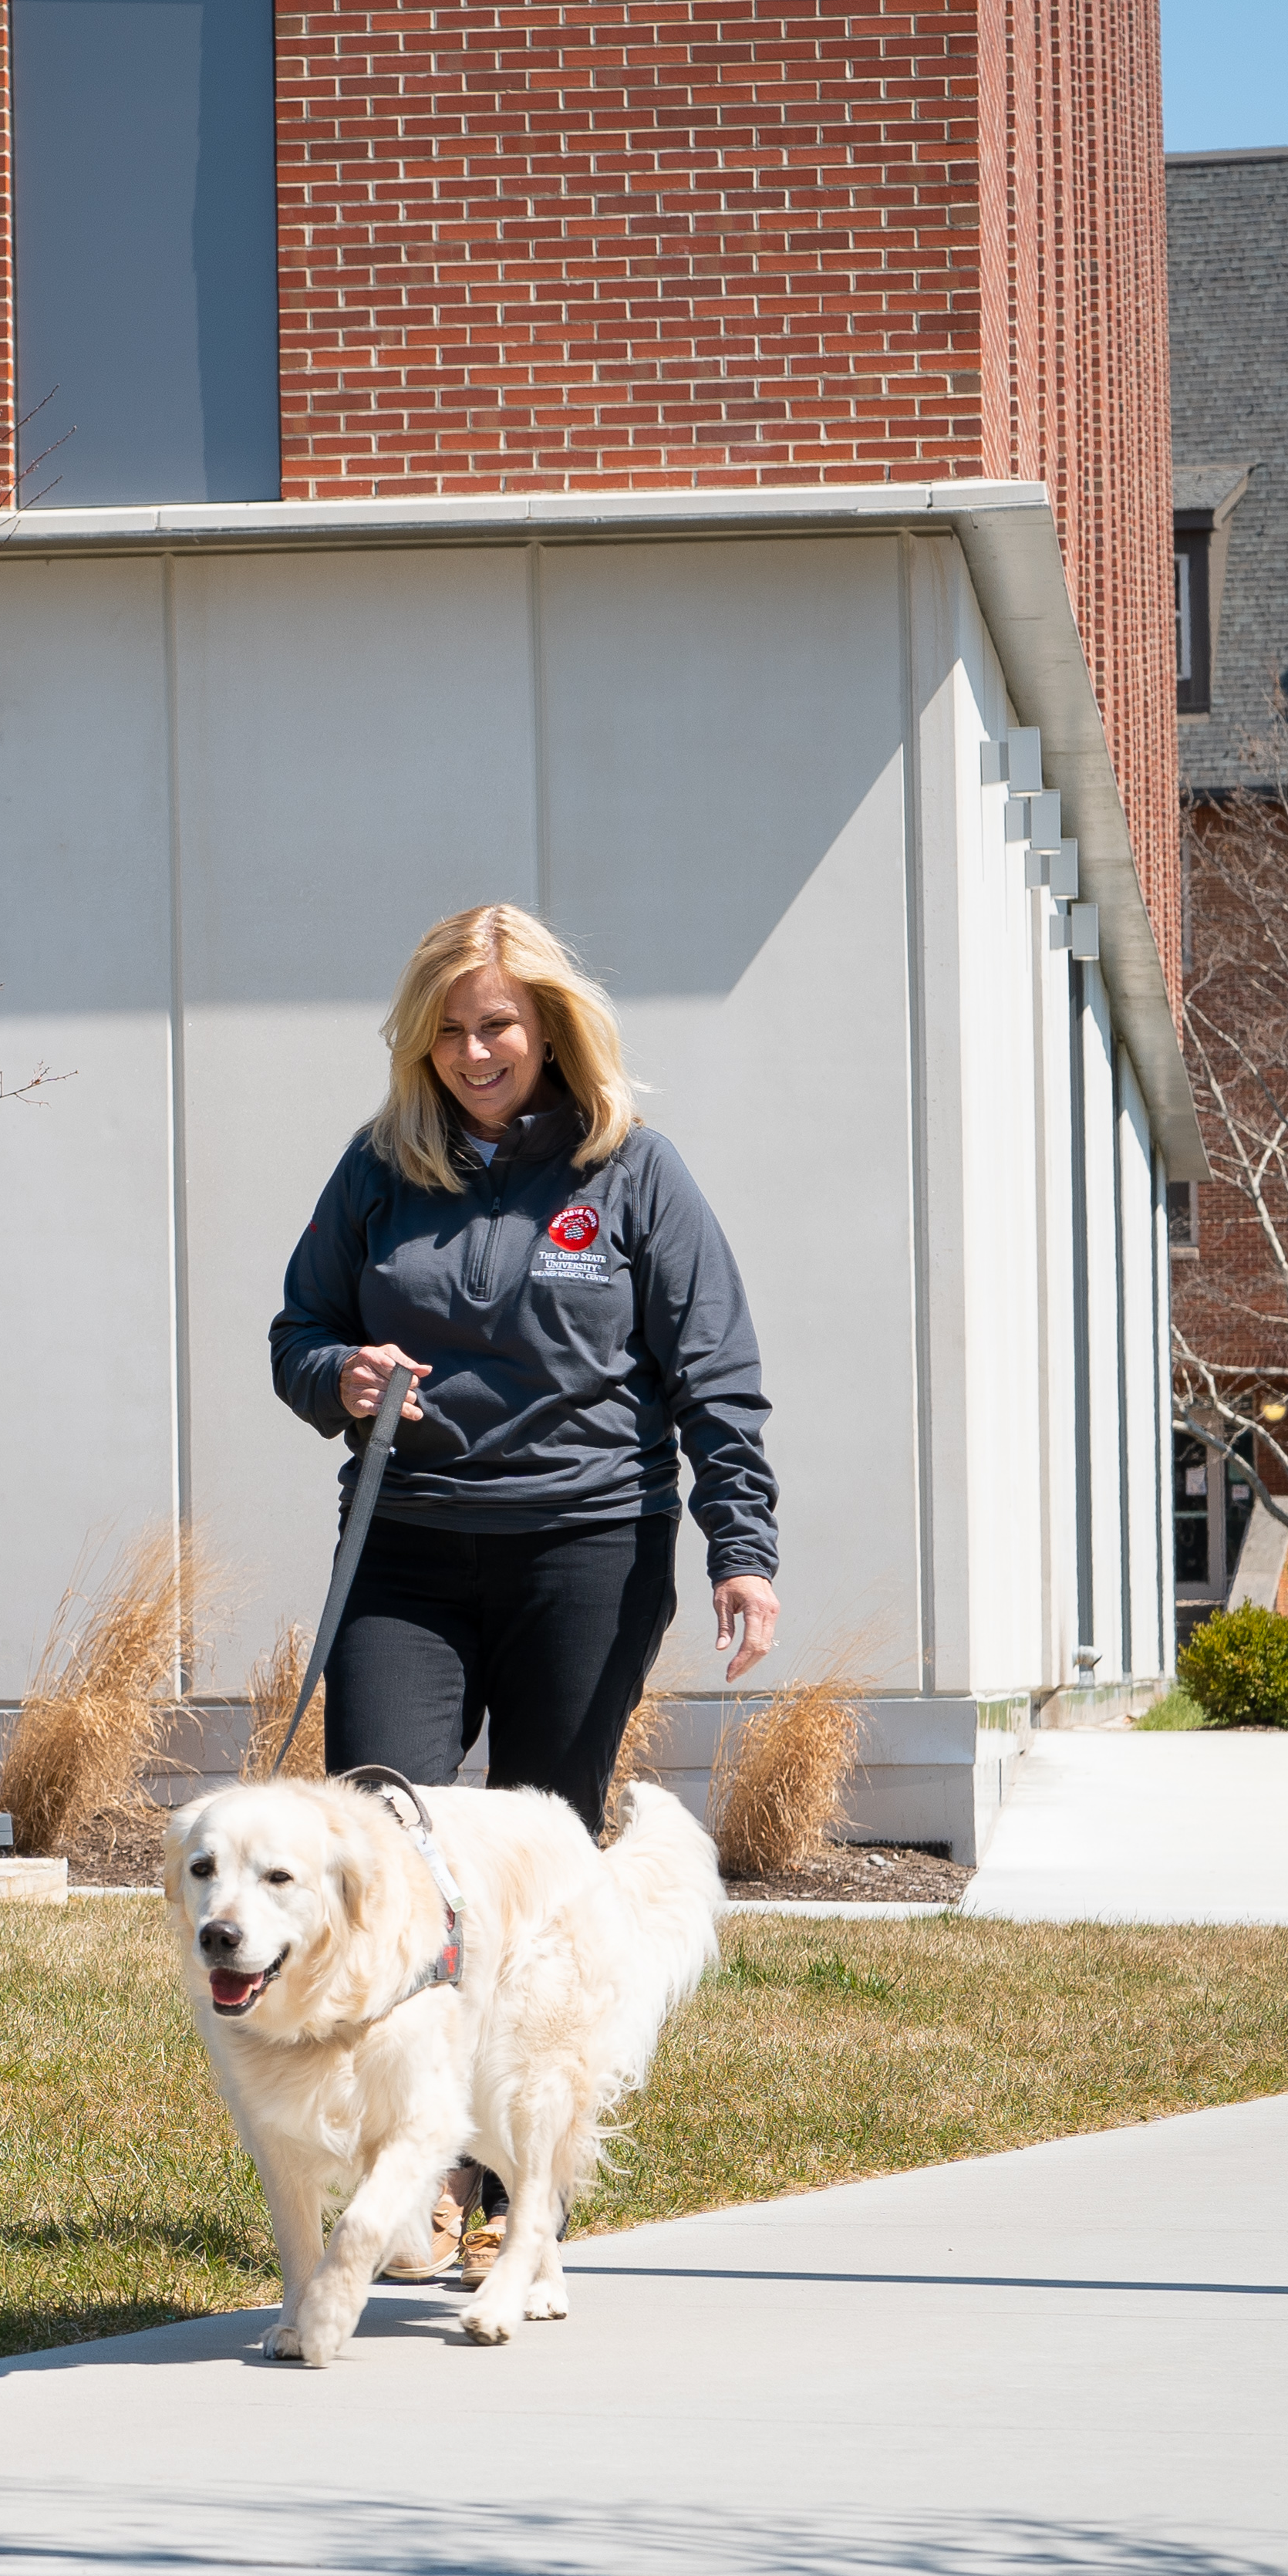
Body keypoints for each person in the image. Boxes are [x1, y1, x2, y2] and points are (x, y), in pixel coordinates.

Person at [269, 904, 781, 2271]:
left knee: (538, 1876)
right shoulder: (381, 1169)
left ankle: (515, 2190)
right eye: (447, 1028)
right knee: (381, 1855)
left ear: (550, 1024)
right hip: (408, 1548)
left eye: (496, 1023)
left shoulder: (632, 1176)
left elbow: (713, 1373)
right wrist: (343, 1378)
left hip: (587, 1553)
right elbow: (300, 1328)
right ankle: (410, 2165)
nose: (473, 1050)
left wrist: (741, 1546)